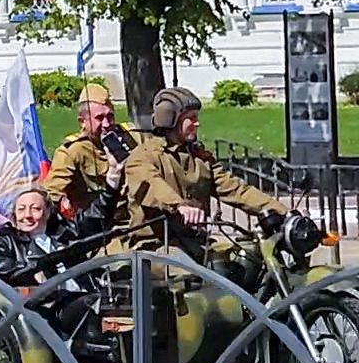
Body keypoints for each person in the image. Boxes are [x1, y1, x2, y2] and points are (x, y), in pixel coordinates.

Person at [120, 87, 288, 257]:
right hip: (155, 247)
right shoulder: (142, 157)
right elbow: (151, 184)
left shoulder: (199, 158)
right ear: (170, 120)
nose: (197, 123)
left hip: (196, 242)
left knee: (245, 260)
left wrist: (283, 212)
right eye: (191, 118)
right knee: (186, 269)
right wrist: (179, 206)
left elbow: (236, 190)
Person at [0, 175, 124, 355]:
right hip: (53, 307)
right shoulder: (7, 238)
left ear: (47, 213)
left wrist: (112, 182)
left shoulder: (63, 232)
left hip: (89, 294)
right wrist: (30, 269)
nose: (27, 215)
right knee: (91, 303)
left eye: (35, 209)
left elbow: (95, 217)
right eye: (21, 209)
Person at [43, 83, 137, 219]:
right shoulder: (73, 151)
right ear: (82, 122)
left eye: (110, 116)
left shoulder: (130, 137)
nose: (107, 124)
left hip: (136, 219)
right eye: (99, 118)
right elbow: (50, 194)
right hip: (101, 223)